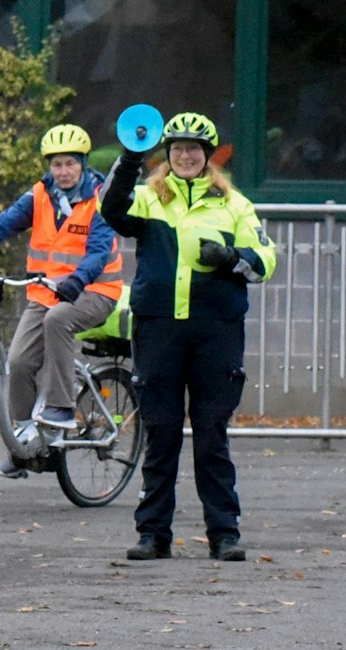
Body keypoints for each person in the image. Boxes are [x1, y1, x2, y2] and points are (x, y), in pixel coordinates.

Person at [98, 111, 276, 563]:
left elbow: (265, 260)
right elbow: (111, 210)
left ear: (206, 157)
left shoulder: (233, 204)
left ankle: (224, 534)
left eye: (193, 150)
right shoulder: (149, 198)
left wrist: (230, 256)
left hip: (215, 331)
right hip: (159, 328)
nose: (185, 155)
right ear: (169, 155)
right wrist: (129, 159)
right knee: (161, 431)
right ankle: (153, 534)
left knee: (212, 432)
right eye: (177, 149)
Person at [0, 123, 125, 476]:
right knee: (18, 362)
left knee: (58, 321)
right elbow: (1, 224)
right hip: (46, 294)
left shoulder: (99, 199)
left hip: (95, 292)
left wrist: (78, 280)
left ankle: (60, 408)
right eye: (57, 164)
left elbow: (99, 251)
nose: (63, 171)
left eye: (70, 163)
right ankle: (25, 441)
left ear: (83, 164)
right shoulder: (40, 195)